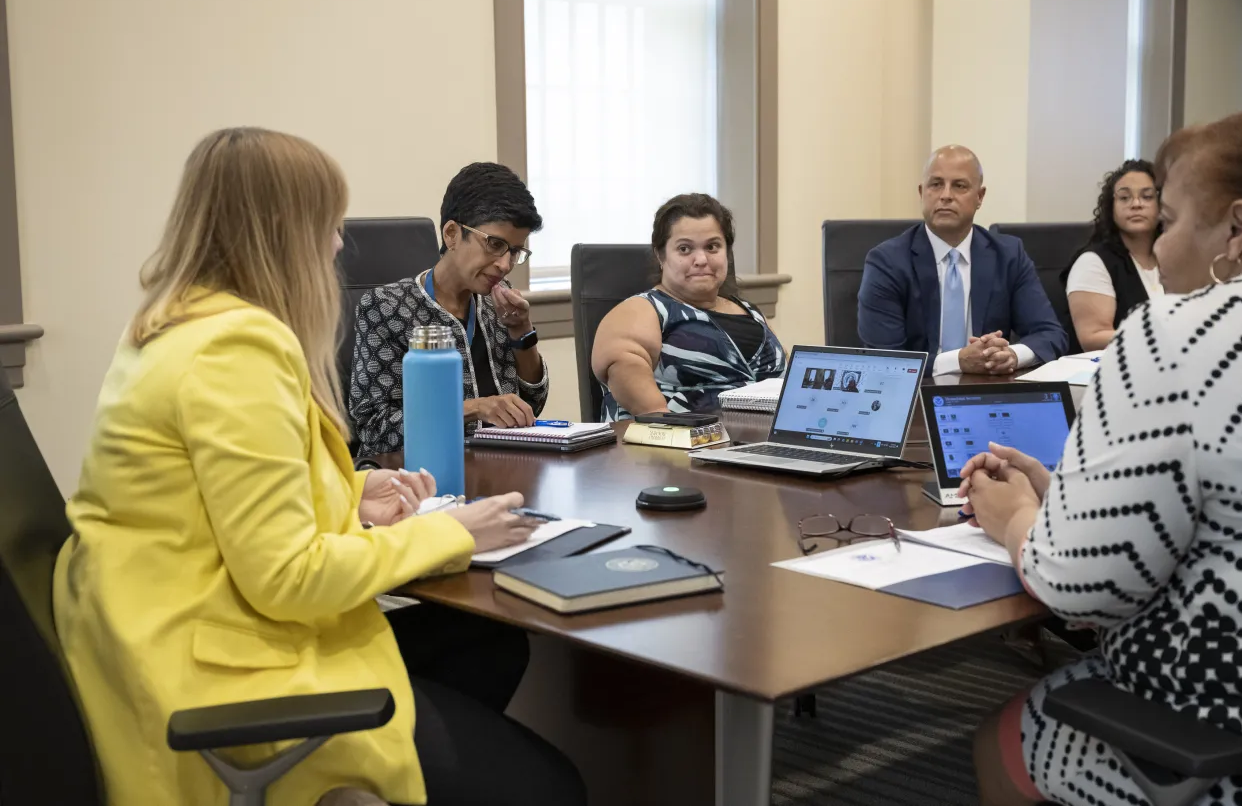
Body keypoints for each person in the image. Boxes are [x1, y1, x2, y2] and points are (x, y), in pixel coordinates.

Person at [53, 128, 585, 806]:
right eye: (330, 226)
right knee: (548, 788)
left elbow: (210, 491)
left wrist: (353, 490)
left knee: (484, 644)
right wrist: (454, 534)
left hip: (162, 623)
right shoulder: (235, 351)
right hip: (209, 673)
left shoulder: (174, 327)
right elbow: (286, 575)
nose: (339, 246)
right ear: (281, 231)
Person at [959, 108, 1242, 806]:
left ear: (1238, 228)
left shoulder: (1180, 330)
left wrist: (1016, 517)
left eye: (1168, 221)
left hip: (1240, 731)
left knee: (1000, 737)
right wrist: (1071, 499)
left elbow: (1079, 587)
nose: (1159, 249)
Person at [349, 163, 548, 456]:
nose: (505, 264)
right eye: (495, 244)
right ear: (452, 234)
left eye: (515, 252)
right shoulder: (387, 307)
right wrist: (473, 409)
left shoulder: (498, 303)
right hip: (418, 480)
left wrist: (522, 333)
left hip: (500, 470)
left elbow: (531, 407)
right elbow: (376, 429)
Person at [857, 145, 1067, 376]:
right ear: (921, 192)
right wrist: (956, 361)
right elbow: (885, 360)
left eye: (959, 186)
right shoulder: (887, 262)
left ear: (980, 196)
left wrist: (1013, 356)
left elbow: (1050, 334)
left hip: (989, 395)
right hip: (916, 395)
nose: (946, 195)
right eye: (936, 184)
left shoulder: (1008, 255)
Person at [591, 193, 785, 420]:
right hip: (683, 447)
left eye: (712, 247)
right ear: (660, 255)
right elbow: (632, 381)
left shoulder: (750, 311)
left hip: (769, 446)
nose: (701, 259)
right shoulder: (642, 310)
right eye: (685, 249)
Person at [1062, 159, 1163, 352]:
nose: (1136, 204)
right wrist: (1166, 335)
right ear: (1111, 207)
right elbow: (1092, 338)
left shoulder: (1171, 258)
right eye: (1124, 198)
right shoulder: (1093, 262)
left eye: (1147, 197)